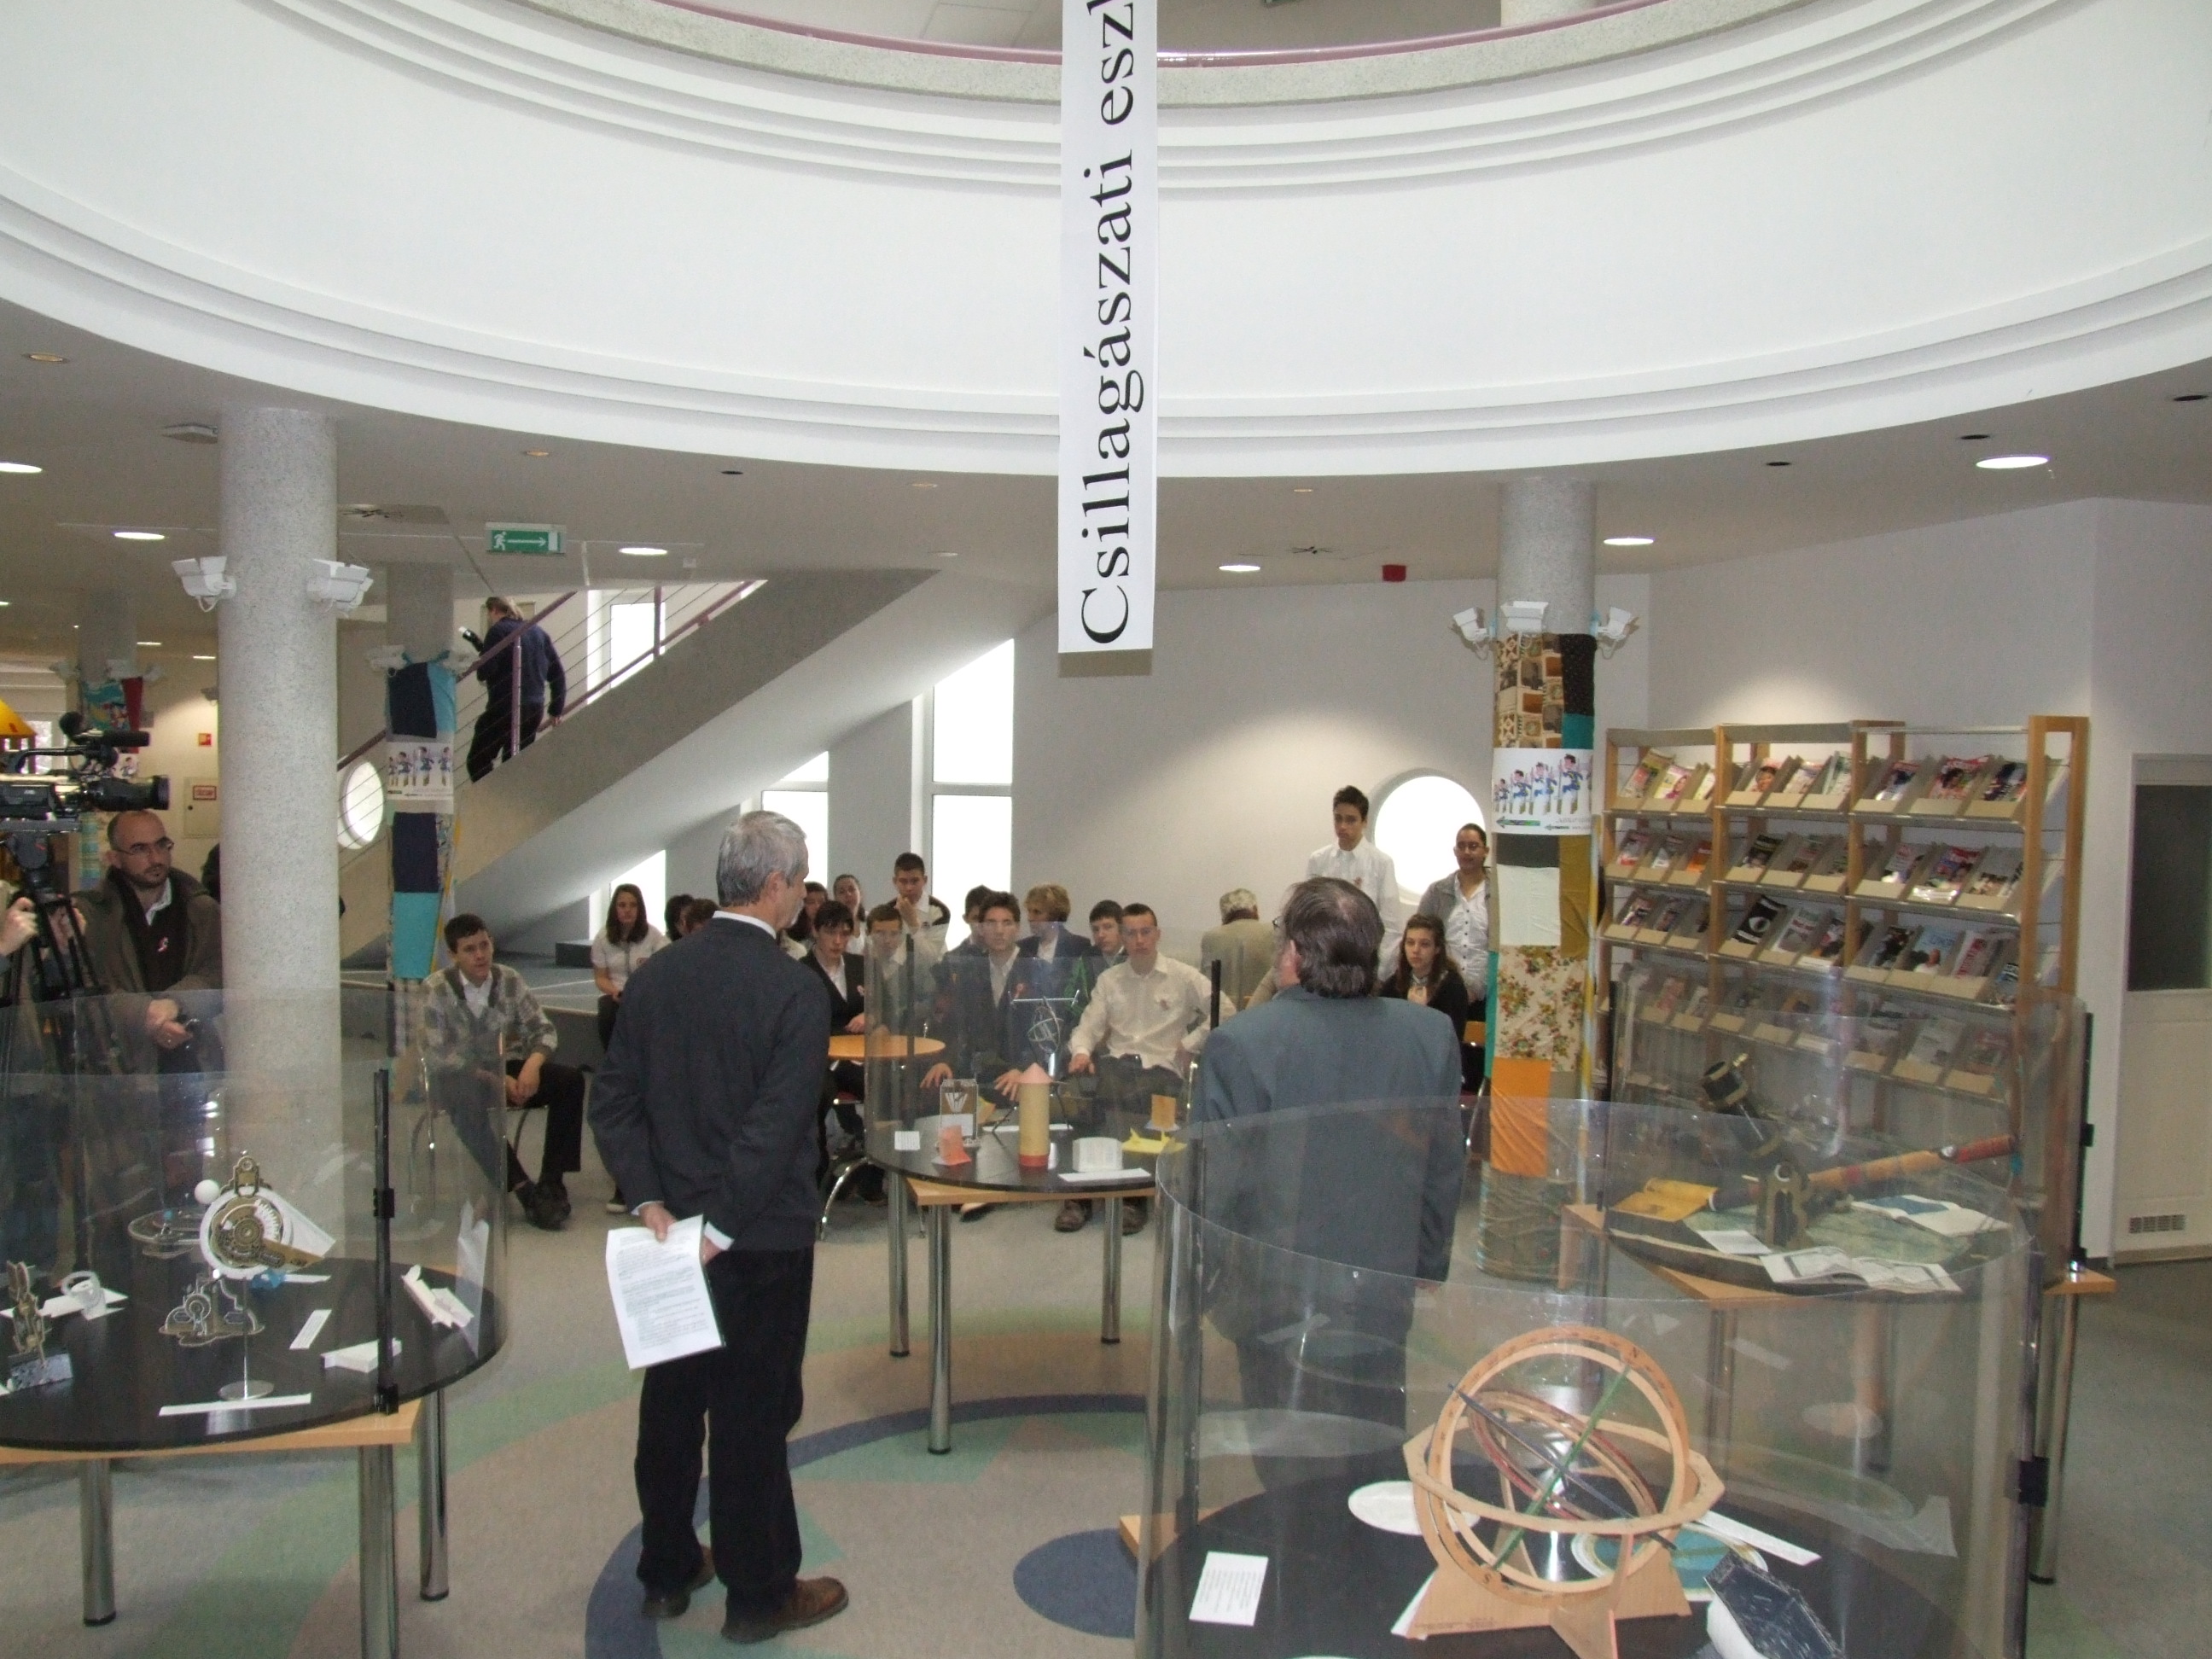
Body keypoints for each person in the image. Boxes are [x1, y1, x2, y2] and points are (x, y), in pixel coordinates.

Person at [587, 811, 847, 1644]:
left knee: (671, 1406)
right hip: (759, 1239)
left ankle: (667, 1569)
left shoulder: (657, 977)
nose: (805, 897)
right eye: (800, 882)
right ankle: (759, 1594)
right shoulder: (795, 990)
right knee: (753, 1415)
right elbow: (776, 1127)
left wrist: (647, 1199)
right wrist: (724, 1225)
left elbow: (613, 1101)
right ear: (774, 887)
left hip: (669, 1237)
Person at [1191, 877, 1465, 1490]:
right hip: (1383, 1284)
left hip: (1275, 1292)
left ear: (1292, 952)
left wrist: (1202, 1284)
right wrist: (1427, 1258)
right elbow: (1443, 1160)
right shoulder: (1428, 1036)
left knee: (1285, 1459)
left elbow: (1216, 1182)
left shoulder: (1241, 1042)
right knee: (1376, 1439)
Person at [422, 913, 588, 1231]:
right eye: (469, 949)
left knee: (570, 1081)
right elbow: (438, 1052)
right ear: (453, 955)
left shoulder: (509, 979)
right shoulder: (436, 990)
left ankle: (552, 1181)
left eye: (484, 945)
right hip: (462, 1075)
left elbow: (543, 1030)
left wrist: (532, 1065)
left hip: (505, 1064)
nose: (480, 955)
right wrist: (497, 1080)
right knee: (466, 1100)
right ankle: (522, 1187)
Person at [1064, 904, 1222, 1234]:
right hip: (1118, 1064)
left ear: (1157, 934)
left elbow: (1226, 1009)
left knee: (1140, 1095)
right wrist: (1081, 1051)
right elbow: (1088, 1026)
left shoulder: (1183, 976)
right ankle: (1079, 1196)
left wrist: (1189, 1043)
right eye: (1131, 933)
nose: (1139, 940)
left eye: (1146, 932)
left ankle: (1133, 1198)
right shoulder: (1110, 979)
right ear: (1123, 937)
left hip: (1163, 1067)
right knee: (1087, 1094)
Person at [77, 809, 223, 1071]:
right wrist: (145, 1014)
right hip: (121, 1067)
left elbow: (218, 972)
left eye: (162, 845)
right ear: (114, 858)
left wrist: (176, 1004)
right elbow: (86, 986)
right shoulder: (92, 915)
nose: (155, 858)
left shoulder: (201, 909)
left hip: (193, 1060)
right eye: (140, 849)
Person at [800, 900, 878, 1203]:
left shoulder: (861, 966)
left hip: (860, 1057)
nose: (837, 941)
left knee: (885, 1090)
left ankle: (873, 1175)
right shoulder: (801, 971)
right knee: (816, 1095)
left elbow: (887, 1007)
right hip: (818, 1060)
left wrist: (871, 1016)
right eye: (830, 933)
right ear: (815, 931)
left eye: (844, 934)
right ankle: (819, 1175)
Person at [1417, 822, 1491, 1091]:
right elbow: (1422, 936)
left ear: (1486, 851)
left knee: (1476, 1066)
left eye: (1474, 846)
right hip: (1445, 988)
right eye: (1462, 846)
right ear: (1455, 851)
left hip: (1485, 992)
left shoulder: (1497, 894)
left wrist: (1475, 988)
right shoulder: (1438, 892)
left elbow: (1498, 948)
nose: (1467, 852)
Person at [464, 596, 568, 783]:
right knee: (515, 764)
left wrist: (481, 659)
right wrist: (556, 709)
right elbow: (557, 673)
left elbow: (485, 671)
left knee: (478, 760)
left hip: (504, 707)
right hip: (534, 708)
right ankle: (506, 796)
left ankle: (492, 795)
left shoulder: (498, 631)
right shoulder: (538, 632)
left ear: (494, 610)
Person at [1307, 784, 1400, 963]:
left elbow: (1392, 925)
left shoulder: (1381, 863)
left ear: (1364, 822)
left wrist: (1380, 968)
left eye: (1351, 820)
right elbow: (1310, 914)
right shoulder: (1318, 860)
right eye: (1338, 819)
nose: (1342, 826)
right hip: (1326, 955)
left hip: (1365, 956)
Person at [1378, 914, 1472, 1057]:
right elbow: (1385, 1035)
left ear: (1437, 948)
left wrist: (1421, 1014)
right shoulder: (1392, 985)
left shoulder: (1452, 987)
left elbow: (1451, 1043)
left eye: (1424, 944)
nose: (1416, 950)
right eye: (1410, 943)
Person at [593, 882, 667, 1053]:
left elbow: (662, 972)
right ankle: (612, 1058)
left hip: (646, 996)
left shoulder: (654, 936)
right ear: (615, 909)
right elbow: (601, 977)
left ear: (640, 909)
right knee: (607, 1011)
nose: (628, 910)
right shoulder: (602, 938)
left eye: (633, 905)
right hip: (617, 995)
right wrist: (615, 992)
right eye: (622, 905)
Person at [1201, 888, 1274, 1010]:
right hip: (1264, 1012)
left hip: (1223, 1014)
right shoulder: (1273, 932)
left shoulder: (1212, 937)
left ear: (1224, 914)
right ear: (1255, 909)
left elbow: (1206, 983)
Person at [1087, 899, 1125, 963]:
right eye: (1096, 929)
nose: (1100, 935)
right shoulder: (1088, 957)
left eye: (1107, 927)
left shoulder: (1135, 954)